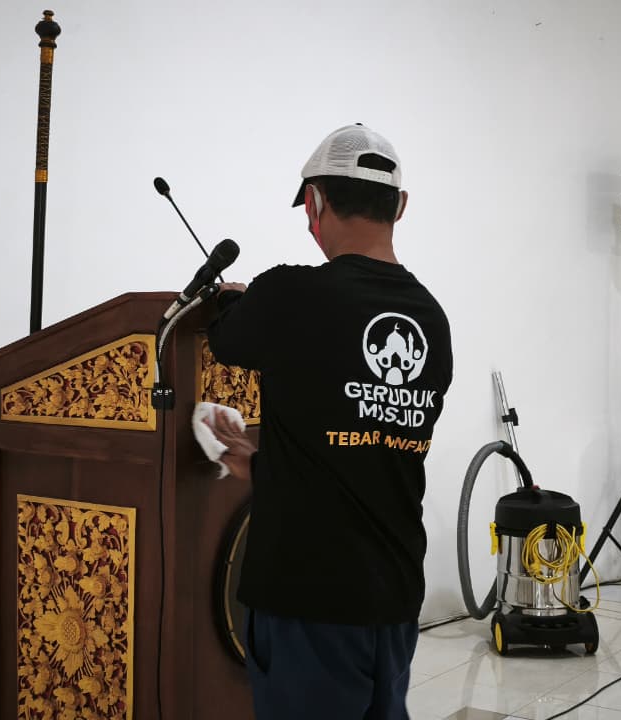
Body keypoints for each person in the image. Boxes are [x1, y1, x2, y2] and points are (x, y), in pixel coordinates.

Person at [204, 124, 453, 719]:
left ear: (314, 203)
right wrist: (260, 465)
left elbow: (226, 339)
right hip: (393, 594)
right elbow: (365, 455)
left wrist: (236, 300)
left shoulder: (289, 294)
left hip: (307, 597)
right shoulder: (433, 319)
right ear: (400, 205)